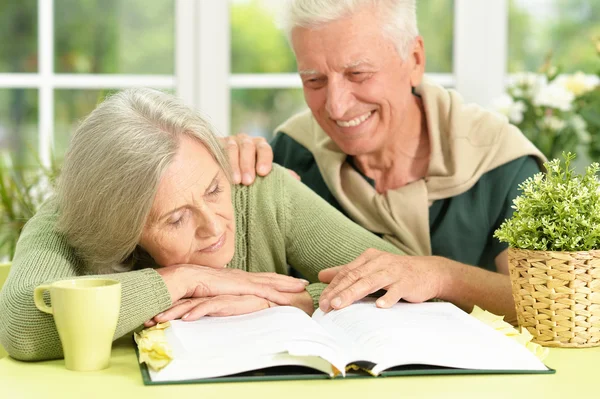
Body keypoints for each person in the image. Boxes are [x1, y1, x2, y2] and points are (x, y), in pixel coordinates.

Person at [0, 88, 403, 361]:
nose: (214, 226)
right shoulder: (68, 219)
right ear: (121, 228)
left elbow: (405, 281)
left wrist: (286, 301)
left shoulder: (261, 191)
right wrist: (182, 280)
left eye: (213, 189)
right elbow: (21, 325)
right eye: (176, 218)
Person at [224, 0, 546, 323]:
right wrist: (217, 175)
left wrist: (441, 275)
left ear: (415, 61)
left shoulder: (501, 163)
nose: (336, 107)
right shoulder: (291, 152)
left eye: (358, 74)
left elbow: (547, 302)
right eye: (314, 81)